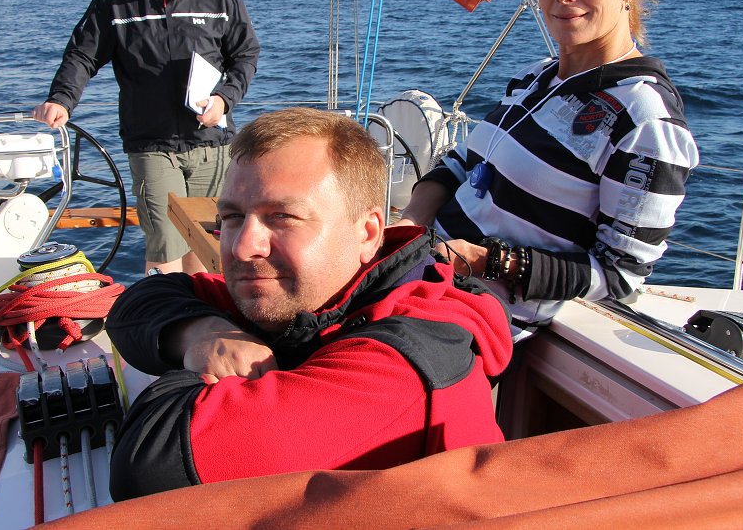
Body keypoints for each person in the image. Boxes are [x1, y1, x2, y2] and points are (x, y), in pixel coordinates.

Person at [105, 107, 512, 500]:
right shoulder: (316, 291)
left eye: (282, 217)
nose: (244, 247)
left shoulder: (406, 362)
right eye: (231, 218)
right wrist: (201, 333)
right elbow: (142, 300)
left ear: (368, 234)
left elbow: (151, 466)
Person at [396, 0, 699, 330]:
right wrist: (409, 221)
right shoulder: (536, 77)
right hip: (417, 276)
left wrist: (485, 260)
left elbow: (619, 276)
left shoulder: (645, 119)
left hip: (471, 319)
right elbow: (464, 161)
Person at [33, 0, 259, 275]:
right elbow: (82, 56)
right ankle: (162, 310)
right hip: (150, 143)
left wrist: (225, 98)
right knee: (165, 240)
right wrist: (62, 99)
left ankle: (199, 309)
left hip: (211, 141)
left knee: (207, 244)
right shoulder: (114, 2)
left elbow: (245, 54)